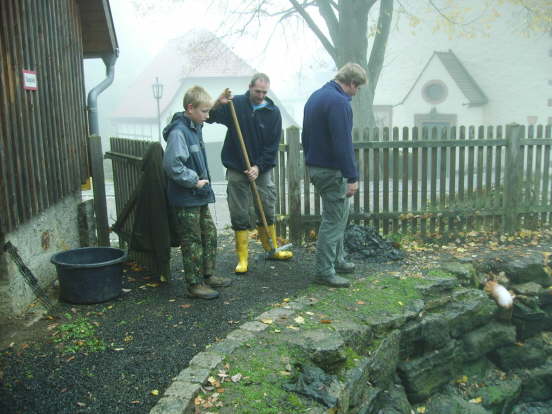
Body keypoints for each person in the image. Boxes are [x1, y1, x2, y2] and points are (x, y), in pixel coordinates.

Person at [208, 73, 293, 274]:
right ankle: (242, 258)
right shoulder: (235, 104)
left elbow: (272, 146)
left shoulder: (273, 112)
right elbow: (209, 118)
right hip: (237, 167)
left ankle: (271, 249)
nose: (261, 95)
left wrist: (258, 167)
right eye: (258, 91)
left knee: (267, 207)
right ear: (250, 87)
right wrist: (218, 103)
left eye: (264, 92)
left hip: (261, 170)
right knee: (239, 212)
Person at [301, 63, 368, 287]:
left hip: (316, 167)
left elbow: (305, 135)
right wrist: (352, 176)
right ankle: (324, 271)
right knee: (333, 221)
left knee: (339, 216)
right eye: (356, 87)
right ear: (350, 83)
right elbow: (343, 144)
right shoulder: (339, 103)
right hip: (331, 171)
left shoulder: (316, 97)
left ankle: (337, 260)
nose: (356, 92)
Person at [163, 86, 232, 299]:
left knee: (209, 234)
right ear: (190, 108)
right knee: (192, 239)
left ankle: (207, 275)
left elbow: (204, 111)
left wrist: (218, 102)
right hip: (186, 197)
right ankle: (194, 284)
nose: (207, 116)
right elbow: (173, 166)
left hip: (198, 195)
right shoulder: (178, 132)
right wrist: (194, 181)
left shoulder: (194, 126)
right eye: (204, 112)